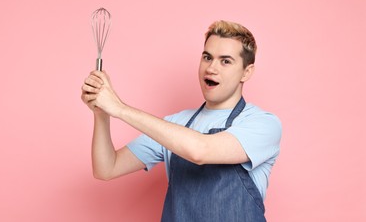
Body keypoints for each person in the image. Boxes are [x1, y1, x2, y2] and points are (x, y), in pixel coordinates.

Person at [81, 20, 282, 222]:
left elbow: (200, 150)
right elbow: (106, 168)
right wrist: (102, 113)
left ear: (246, 72)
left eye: (225, 61)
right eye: (207, 57)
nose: (211, 68)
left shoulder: (262, 124)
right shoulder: (174, 124)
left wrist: (119, 108)